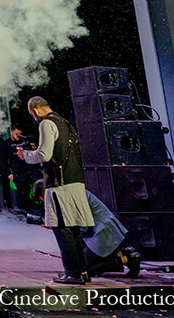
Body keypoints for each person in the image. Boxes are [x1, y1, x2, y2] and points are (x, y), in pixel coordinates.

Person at [18, 96, 95, 284]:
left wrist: (26, 155)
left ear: (35, 110)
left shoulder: (46, 124)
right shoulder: (65, 123)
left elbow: (45, 155)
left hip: (59, 184)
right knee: (73, 228)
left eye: (32, 114)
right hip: (75, 180)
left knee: (62, 228)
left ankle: (72, 274)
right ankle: (82, 271)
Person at [34, 179, 141, 278]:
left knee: (81, 270)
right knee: (79, 266)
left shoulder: (66, 196)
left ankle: (127, 259)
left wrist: (62, 227)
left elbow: (84, 224)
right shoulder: (66, 192)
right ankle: (119, 255)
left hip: (104, 233)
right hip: (100, 233)